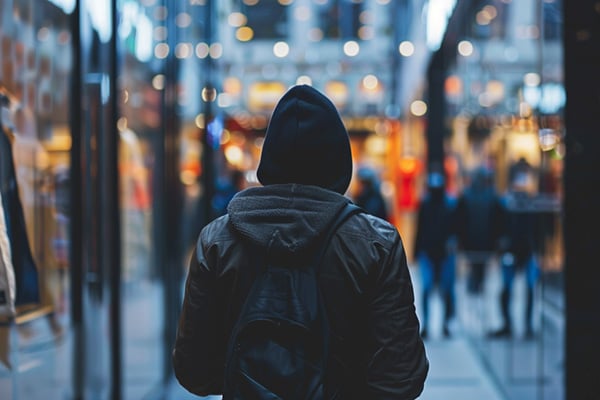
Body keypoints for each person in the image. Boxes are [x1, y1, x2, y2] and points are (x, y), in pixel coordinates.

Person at [173, 85, 428, 398]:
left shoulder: (217, 241)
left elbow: (194, 372)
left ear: (269, 159)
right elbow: (401, 378)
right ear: (338, 161)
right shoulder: (376, 243)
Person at [488, 167, 539, 339]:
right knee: (507, 289)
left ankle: (527, 325)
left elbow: (538, 230)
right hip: (511, 251)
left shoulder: (530, 203)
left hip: (527, 251)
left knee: (529, 288)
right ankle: (508, 323)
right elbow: (498, 226)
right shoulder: (506, 203)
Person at [413, 168, 457, 339]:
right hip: (428, 252)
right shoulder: (425, 204)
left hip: (445, 253)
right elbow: (420, 228)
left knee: (446, 289)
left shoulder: (449, 204)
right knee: (427, 288)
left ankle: (446, 323)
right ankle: (428, 324)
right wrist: (417, 251)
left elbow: (455, 228)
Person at [454, 166, 504, 294]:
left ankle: (474, 286)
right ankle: (477, 285)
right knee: (480, 270)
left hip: (470, 245)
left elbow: (459, 223)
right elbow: (498, 223)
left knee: (475, 269)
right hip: (486, 245)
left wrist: (460, 241)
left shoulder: (466, 196)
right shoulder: (491, 197)